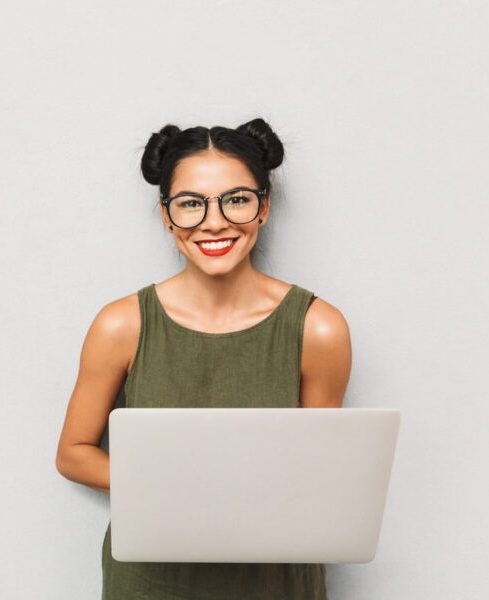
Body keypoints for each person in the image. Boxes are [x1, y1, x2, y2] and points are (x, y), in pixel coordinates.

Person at [55, 118, 352, 599]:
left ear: (264, 207)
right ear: (167, 215)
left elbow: (321, 469)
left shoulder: (318, 328)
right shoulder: (121, 324)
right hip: (154, 581)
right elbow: (73, 453)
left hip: (275, 581)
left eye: (236, 199)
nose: (214, 222)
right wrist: (181, 485)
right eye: (191, 204)